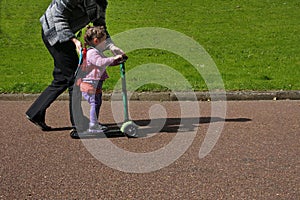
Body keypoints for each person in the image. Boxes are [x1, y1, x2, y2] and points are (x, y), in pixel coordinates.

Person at [25, 0, 125, 136]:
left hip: (68, 35)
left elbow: (100, 26)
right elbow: (58, 17)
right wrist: (73, 40)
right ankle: (79, 125)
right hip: (54, 33)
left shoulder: (101, 2)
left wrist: (112, 47)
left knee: (62, 78)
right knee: (75, 79)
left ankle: (35, 112)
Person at [80, 25, 124, 133]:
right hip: (90, 83)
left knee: (97, 102)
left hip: (96, 83)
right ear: (96, 41)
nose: (106, 44)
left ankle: (94, 123)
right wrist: (114, 58)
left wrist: (118, 60)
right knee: (95, 103)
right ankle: (93, 126)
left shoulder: (97, 52)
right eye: (104, 41)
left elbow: (106, 62)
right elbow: (100, 62)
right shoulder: (92, 53)